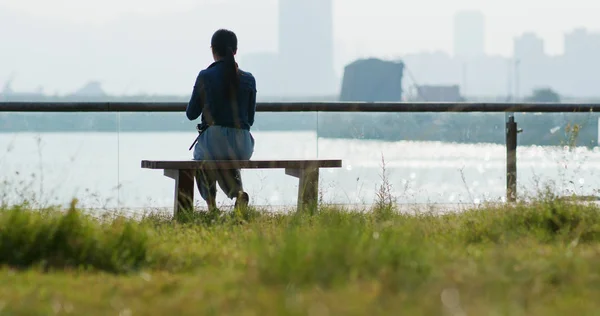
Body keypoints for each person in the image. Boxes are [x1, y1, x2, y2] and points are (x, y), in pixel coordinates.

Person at [185, 29, 257, 211]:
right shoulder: (249, 79)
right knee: (225, 157)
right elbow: (250, 118)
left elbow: (191, 113)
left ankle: (212, 207)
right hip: (243, 144)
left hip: (214, 140)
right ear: (235, 50)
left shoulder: (205, 76)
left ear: (213, 50)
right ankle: (238, 194)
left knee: (203, 158)